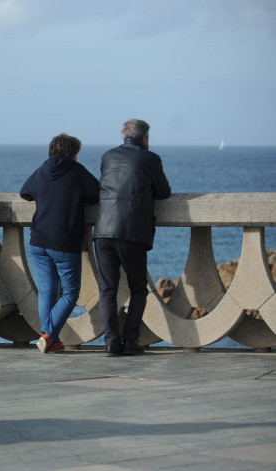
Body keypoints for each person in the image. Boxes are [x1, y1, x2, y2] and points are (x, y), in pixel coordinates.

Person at [93, 119, 171, 356]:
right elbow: (164, 191)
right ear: (145, 138)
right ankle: (130, 341)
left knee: (107, 289)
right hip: (132, 232)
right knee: (138, 288)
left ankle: (111, 342)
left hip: (103, 231)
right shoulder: (150, 158)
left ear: (124, 136)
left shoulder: (107, 156)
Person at [20, 133, 100, 354]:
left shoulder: (43, 169)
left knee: (46, 291)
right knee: (70, 293)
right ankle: (48, 335)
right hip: (64, 241)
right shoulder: (77, 171)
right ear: (73, 153)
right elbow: (95, 194)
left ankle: (49, 339)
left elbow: (25, 192)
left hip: (38, 240)